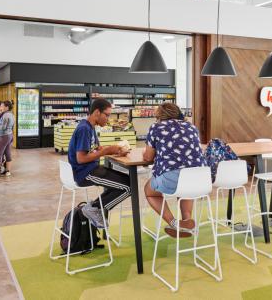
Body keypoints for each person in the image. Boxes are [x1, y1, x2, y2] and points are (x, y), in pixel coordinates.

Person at [143, 102, 208, 238]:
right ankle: (186, 221)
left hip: (173, 177)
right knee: (185, 188)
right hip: (199, 178)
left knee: (150, 192)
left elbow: (148, 156)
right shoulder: (191, 127)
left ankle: (174, 223)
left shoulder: (156, 127)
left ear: (159, 115)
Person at [68, 98, 130, 229]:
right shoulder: (84, 129)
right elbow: (81, 159)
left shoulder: (90, 127)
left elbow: (98, 149)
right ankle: (94, 208)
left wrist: (115, 149)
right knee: (128, 187)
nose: (108, 118)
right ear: (97, 112)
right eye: (106, 115)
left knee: (128, 181)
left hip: (92, 169)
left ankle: (93, 208)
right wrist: (106, 151)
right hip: (84, 173)